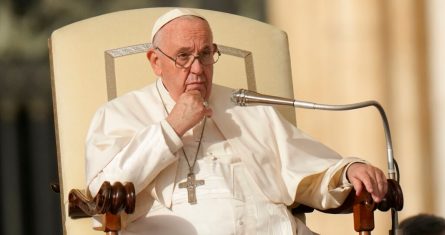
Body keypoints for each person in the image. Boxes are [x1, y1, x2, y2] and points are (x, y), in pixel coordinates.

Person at [85, 8, 388, 235]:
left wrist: (349, 169)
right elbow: (104, 195)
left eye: (205, 54)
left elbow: (308, 168)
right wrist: (170, 128)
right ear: (155, 62)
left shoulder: (245, 105)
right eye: (183, 56)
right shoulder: (118, 114)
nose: (198, 68)